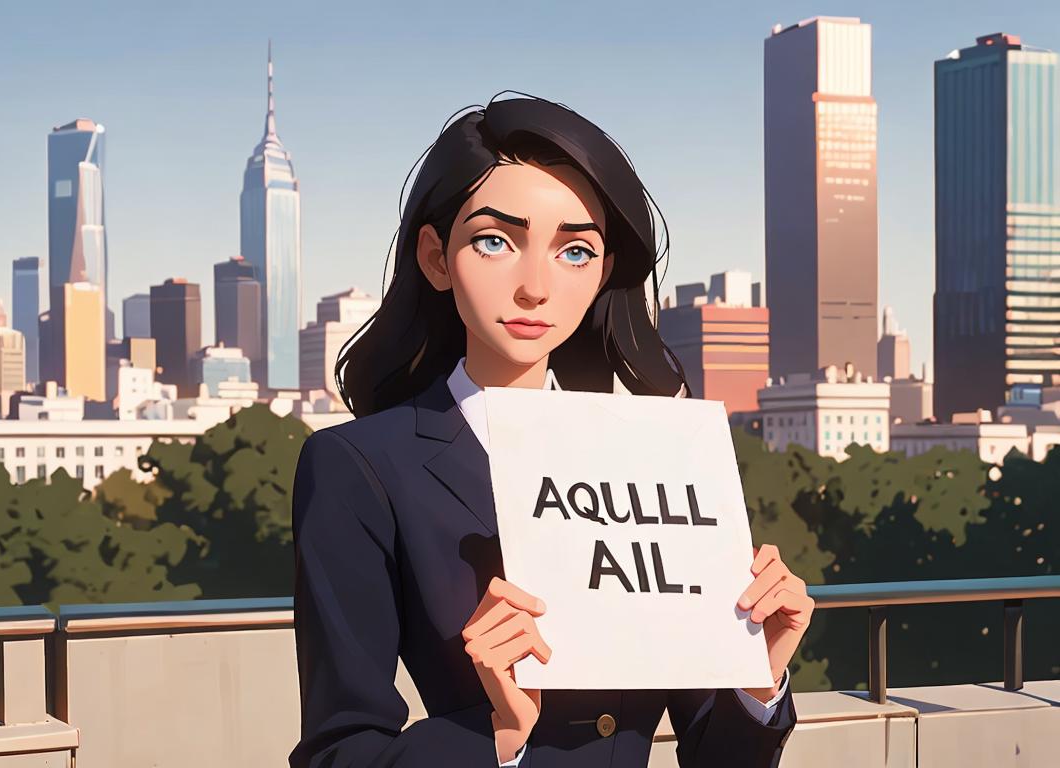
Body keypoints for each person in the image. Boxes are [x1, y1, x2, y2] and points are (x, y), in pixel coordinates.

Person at [290, 94, 814, 768]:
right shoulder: (358, 467)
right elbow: (338, 753)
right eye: (495, 241)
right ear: (435, 257)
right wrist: (500, 735)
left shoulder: (659, 453)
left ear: (602, 273)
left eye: (575, 251)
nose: (535, 286)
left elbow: (717, 758)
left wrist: (756, 677)